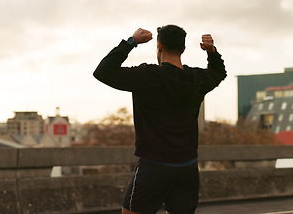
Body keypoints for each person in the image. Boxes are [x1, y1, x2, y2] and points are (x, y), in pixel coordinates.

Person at [93, 25, 227, 214]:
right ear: (183, 49)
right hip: (187, 168)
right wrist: (212, 52)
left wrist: (131, 42)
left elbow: (103, 71)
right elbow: (218, 72)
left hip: (154, 167)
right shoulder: (196, 79)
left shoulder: (147, 76)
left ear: (159, 46)